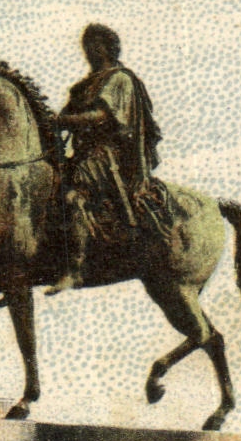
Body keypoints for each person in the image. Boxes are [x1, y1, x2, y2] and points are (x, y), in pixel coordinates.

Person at [47, 23, 166, 295]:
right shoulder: (86, 85)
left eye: (93, 45)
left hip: (107, 155)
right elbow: (63, 115)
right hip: (82, 153)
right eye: (85, 45)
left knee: (73, 197)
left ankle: (75, 270)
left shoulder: (120, 79)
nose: (87, 51)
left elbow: (102, 116)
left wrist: (62, 120)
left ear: (106, 48)